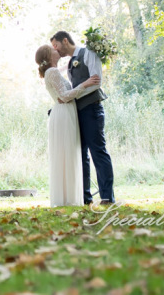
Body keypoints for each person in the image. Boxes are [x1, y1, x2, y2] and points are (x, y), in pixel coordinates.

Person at [50, 31, 115, 205]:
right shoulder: (71, 62)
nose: (55, 50)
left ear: (65, 40)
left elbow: (97, 81)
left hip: (92, 109)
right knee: (81, 155)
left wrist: (74, 95)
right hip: (76, 113)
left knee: (98, 152)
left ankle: (107, 197)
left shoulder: (89, 53)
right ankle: (85, 198)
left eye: (56, 45)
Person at [35, 44, 99, 207]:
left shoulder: (52, 71)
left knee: (66, 155)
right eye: (53, 50)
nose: (57, 51)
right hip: (64, 112)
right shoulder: (52, 72)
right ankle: (69, 198)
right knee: (68, 154)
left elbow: (61, 81)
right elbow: (64, 96)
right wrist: (85, 84)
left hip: (64, 113)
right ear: (49, 56)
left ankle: (67, 196)